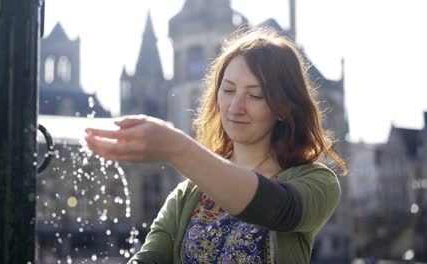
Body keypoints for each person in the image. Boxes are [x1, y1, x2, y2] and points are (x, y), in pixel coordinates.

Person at [84, 27, 347, 264]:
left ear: (282, 107)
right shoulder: (189, 194)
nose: (235, 108)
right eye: (228, 90)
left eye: (255, 95)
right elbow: (150, 258)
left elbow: (277, 208)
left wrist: (176, 146)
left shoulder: (316, 181)